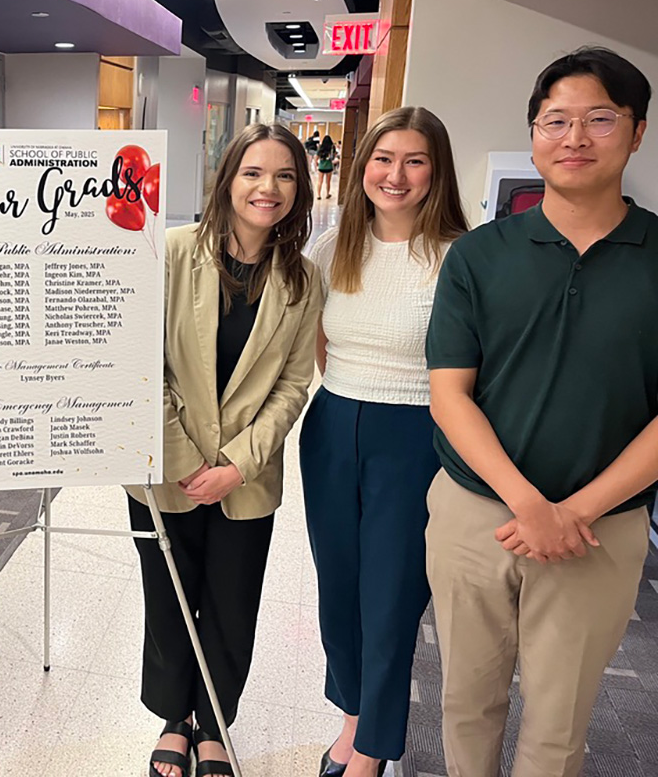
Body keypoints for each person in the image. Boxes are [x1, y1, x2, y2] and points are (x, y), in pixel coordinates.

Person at [426, 46, 655, 777]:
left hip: (603, 527)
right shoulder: (479, 256)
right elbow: (449, 394)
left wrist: (575, 512)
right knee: (465, 700)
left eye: (599, 120)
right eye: (555, 121)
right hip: (475, 515)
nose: (574, 138)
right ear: (533, 134)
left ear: (637, 132)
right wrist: (532, 506)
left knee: (560, 723)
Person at [125, 123, 323, 777]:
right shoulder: (171, 253)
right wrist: (186, 462)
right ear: (227, 179)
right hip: (163, 470)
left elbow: (295, 383)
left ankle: (212, 723)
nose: (268, 188)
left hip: (249, 476)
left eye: (285, 176)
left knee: (233, 603)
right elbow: (139, 363)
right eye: (253, 173)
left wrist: (239, 463)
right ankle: (173, 719)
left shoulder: (301, 280)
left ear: (300, 189)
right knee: (171, 597)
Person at [301, 107, 468, 777]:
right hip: (334, 425)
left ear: (436, 172)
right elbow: (319, 341)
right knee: (337, 585)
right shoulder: (333, 244)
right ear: (361, 165)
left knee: (392, 595)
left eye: (415, 161)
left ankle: (372, 746)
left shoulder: (460, 255)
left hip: (416, 436)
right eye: (382, 158)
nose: (394, 175)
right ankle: (350, 717)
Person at [316, 134, 336, 199]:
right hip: (329, 166)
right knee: (328, 182)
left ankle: (319, 195)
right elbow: (334, 157)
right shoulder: (332, 148)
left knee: (320, 181)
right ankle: (327, 194)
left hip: (321, 166)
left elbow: (316, 158)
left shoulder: (321, 148)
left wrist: (316, 164)